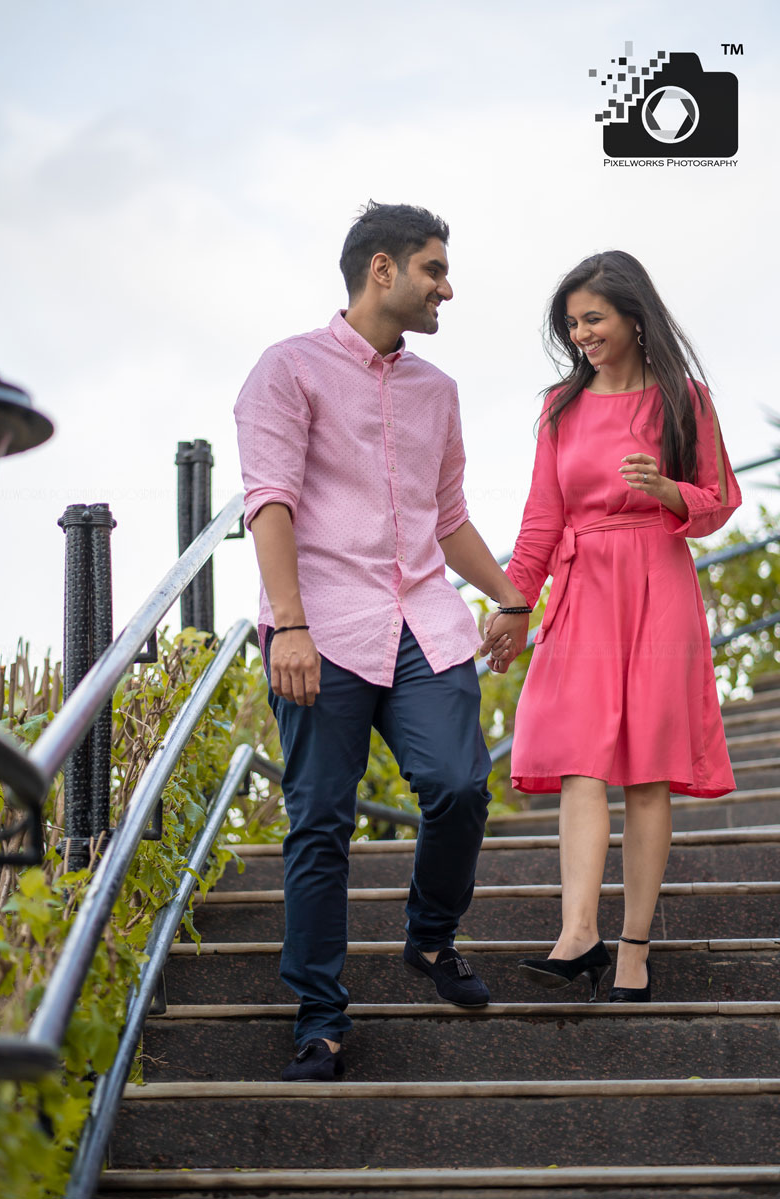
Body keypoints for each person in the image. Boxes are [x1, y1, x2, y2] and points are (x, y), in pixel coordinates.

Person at [234, 201, 528, 1080]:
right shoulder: (286, 369)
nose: (448, 287)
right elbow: (270, 500)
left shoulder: (439, 391)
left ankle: (430, 937)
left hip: (423, 620)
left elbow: (450, 520)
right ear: (383, 271)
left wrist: (510, 595)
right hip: (320, 625)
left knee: (460, 782)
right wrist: (289, 622)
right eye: (435, 268)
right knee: (320, 821)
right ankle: (320, 1015)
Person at [483, 250, 741, 1003]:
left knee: (649, 771)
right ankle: (577, 932)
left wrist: (669, 490)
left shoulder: (683, 398)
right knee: (579, 760)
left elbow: (721, 501)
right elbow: (540, 521)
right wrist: (513, 603)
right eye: (571, 323)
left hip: (659, 581)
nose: (582, 333)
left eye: (592, 317)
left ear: (633, 315)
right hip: (584, 585)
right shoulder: (559, 407)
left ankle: (632, 948)